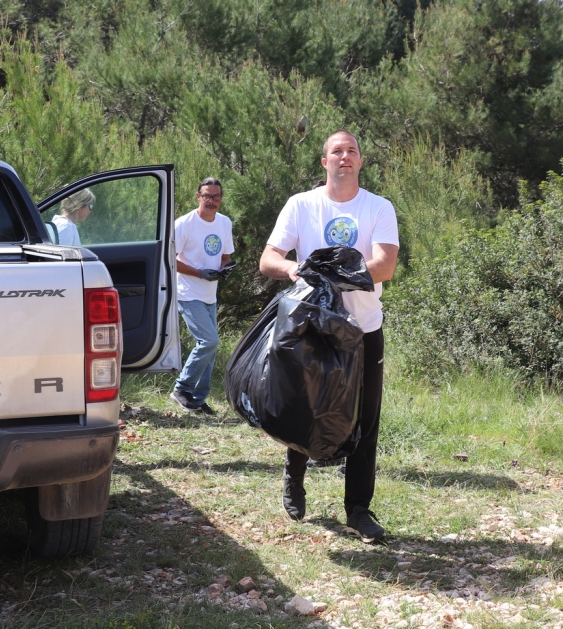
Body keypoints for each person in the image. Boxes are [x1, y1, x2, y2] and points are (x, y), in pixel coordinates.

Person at [259, 130, 399, 543]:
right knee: (305, 406)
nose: (344, 156)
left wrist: (330, 274)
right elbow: (268, 259)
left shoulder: (377, 207)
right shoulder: (301, 205)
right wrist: (292, 269)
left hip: (363, 329)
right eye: (336, 151)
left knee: (365, 419)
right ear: (325, 162)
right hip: (312, 328)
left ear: (360, 161)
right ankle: (294, 473)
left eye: (352, 150)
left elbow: (385, 265)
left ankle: (358, 510)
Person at [171, 177, 235, 415]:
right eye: (207, 196)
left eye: (216, 196)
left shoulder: (224, 222)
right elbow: (170, 260)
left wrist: (226, 269)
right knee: (209, 341)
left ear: (221, 199)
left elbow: (225, 256)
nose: (211, 201)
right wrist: (199, 273)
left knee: (210, 349)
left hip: (210, 294)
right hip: (188, 292)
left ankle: (197, 399)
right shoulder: (184, 224)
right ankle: (182, 388)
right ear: (198, 197)